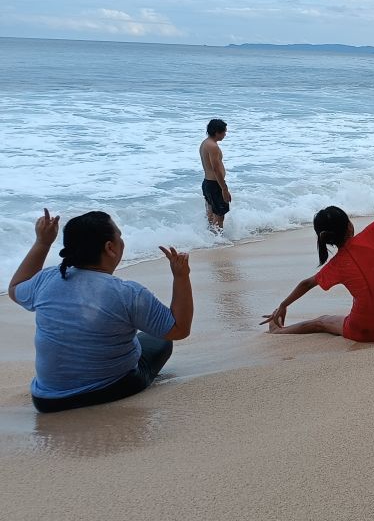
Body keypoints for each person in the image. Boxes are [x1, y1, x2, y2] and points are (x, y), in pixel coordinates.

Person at [8, 209, 193, 413]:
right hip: (109, 389)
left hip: (47, 400)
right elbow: (179, 329)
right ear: (110, 248)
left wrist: (42, 243)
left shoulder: (46, 279)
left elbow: (16, 288)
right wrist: (181, 276)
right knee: (161, 339)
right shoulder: (127, 293)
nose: (122, 241)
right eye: (120, 236)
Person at [262, 160, 374, 340]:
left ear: (327, 240)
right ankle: (278, 333)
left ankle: (278, 332)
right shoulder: (370, 235)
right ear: (349, 226)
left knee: (321, 322)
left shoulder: (335, 265)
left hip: (360, 332)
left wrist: (283, 305)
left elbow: (307, 283)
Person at [200, 118, 231, 231]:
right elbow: (216, 169)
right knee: (219, 215)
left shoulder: (205, 143)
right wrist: (224, 189)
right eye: (224, 132)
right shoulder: (213, 147)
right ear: (217, 132)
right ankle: (218, 242)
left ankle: (210, 240)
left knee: (210, 214)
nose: (225, 134)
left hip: (207, 183)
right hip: (214, 184)